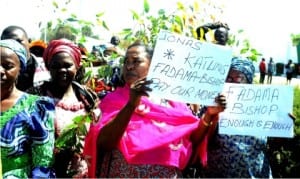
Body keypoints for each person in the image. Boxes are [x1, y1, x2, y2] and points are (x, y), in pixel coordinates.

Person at [83, 41, 226, 177]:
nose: (129, 66)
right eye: (126, 61)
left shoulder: (172, 103)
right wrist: (131, 105)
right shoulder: (114, 100)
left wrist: (209, 115)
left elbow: (192, 139)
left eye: (136, 61)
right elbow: (103, 143)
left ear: (152, 66)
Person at [32, 38, 98, 177]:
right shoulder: (35, 96)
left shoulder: (88, 98)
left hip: (81, 173)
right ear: (48, 66)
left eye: (68, 65)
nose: (62, 70)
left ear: (77, 66)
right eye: (56, 66)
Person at [201, 57, 273, 178]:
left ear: (249, 81)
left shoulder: (263, 106)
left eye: (239, 79)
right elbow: (202, 140)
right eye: (228, 78)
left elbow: (271, 142)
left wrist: (285, 123)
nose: (232, 83)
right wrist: (212, 115)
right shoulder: (214, 103)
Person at [0, 39, 56, 178]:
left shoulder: (35, 108)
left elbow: (43, 162)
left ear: (20, 69)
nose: (0, 71)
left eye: (7, 66)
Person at [1, 25, 50, 91]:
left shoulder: (47, 67)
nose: (13, 46)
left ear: (29, 41)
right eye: (7, 43)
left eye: (18, 41)